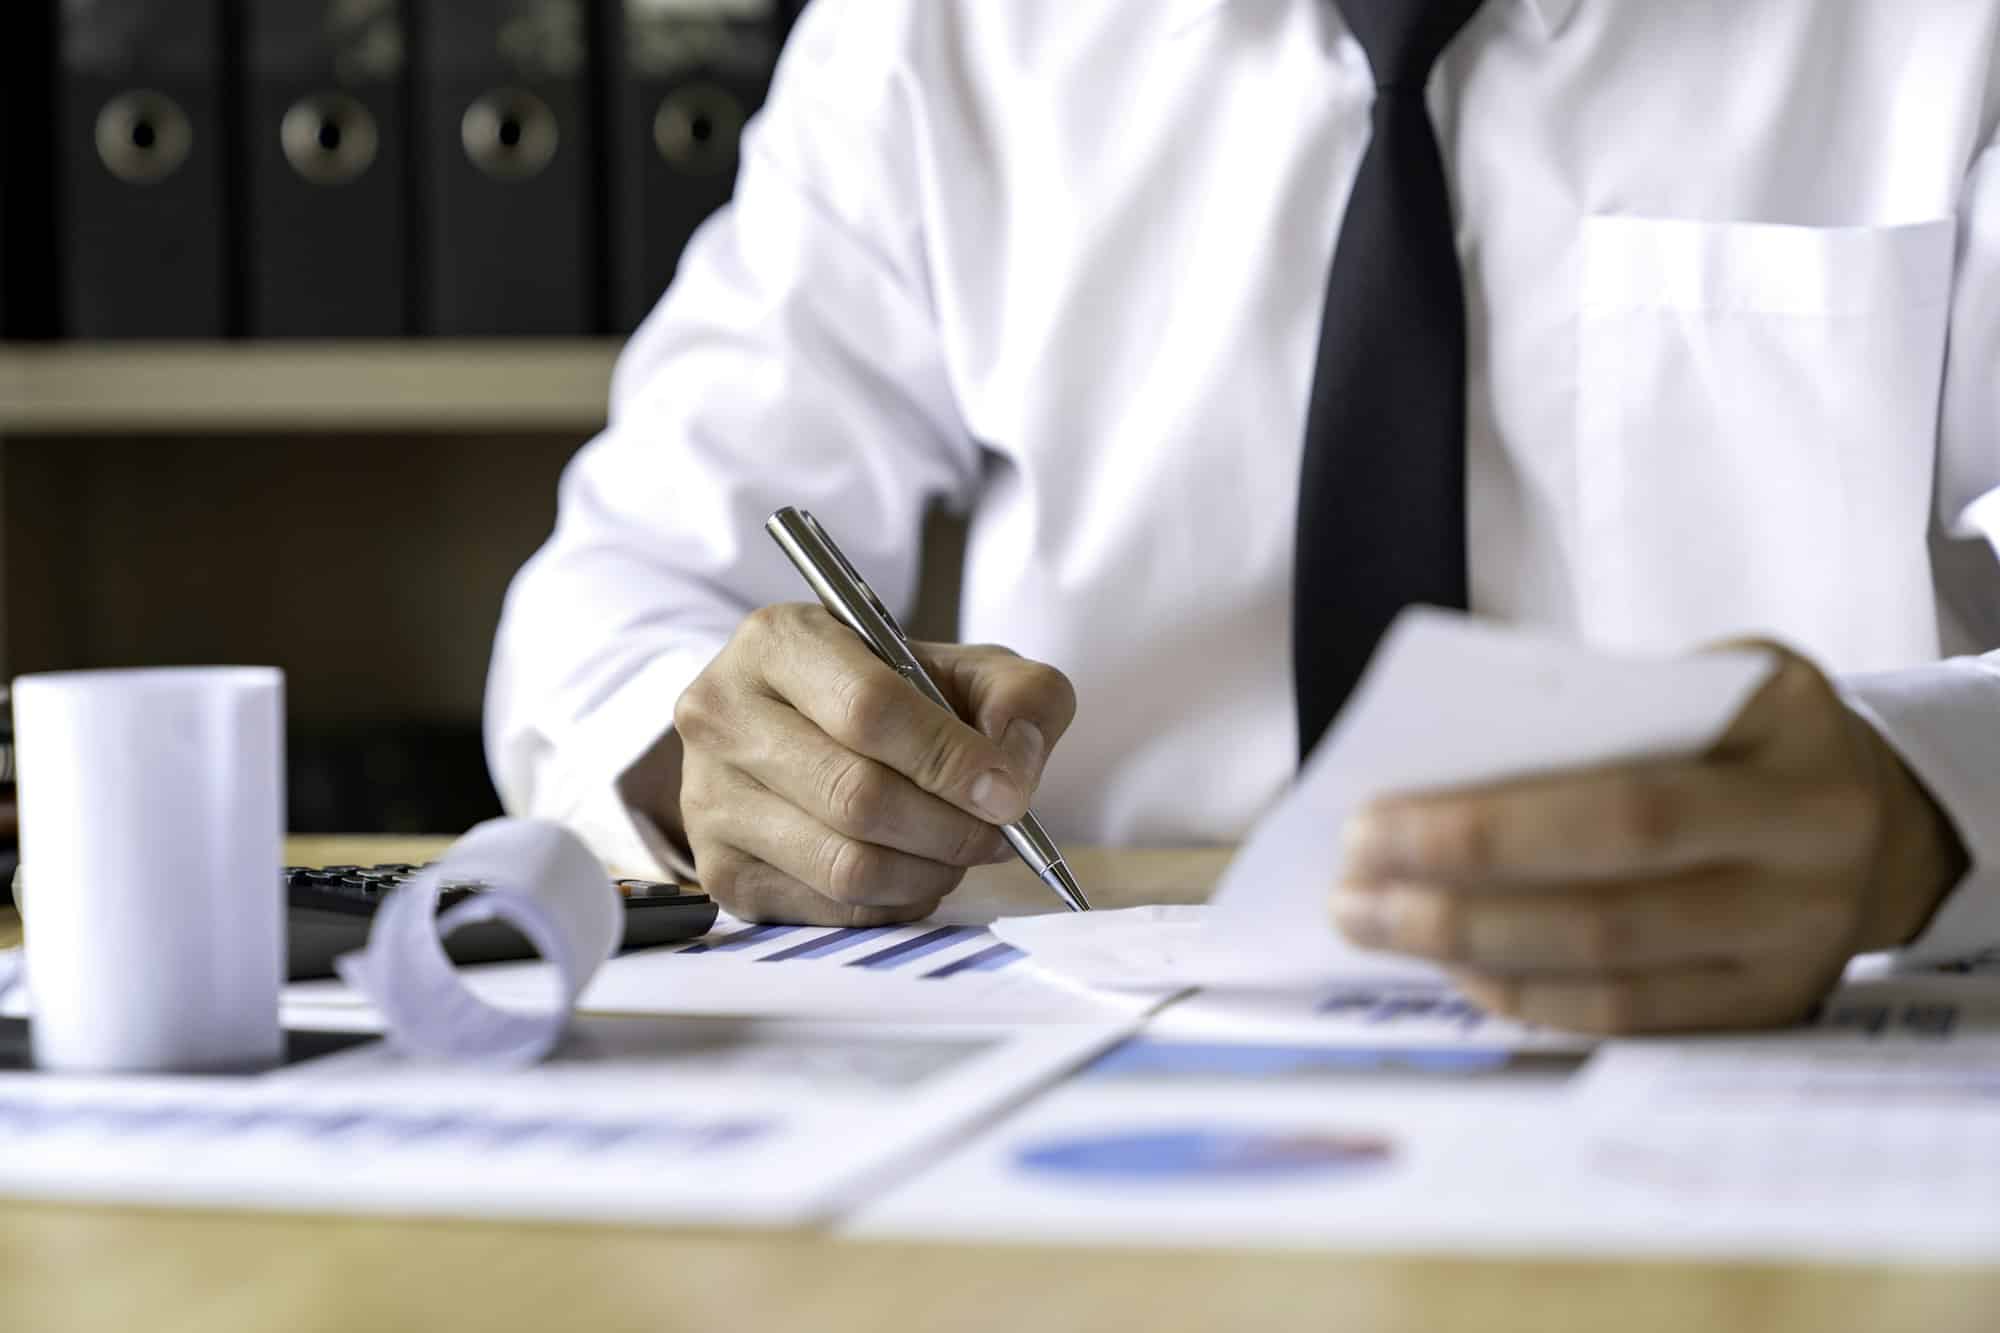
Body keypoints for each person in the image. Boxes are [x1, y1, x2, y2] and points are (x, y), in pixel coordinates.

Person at [487, 0, 2000, 1033]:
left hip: (1783, 1032)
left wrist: (1918, 808)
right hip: (1099, 1050)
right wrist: (722, 764)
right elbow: (613, 593)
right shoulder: (943, 33)